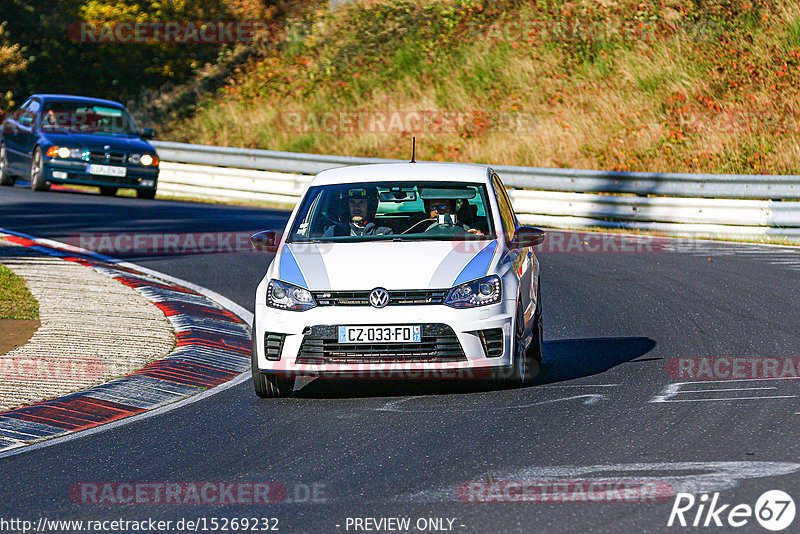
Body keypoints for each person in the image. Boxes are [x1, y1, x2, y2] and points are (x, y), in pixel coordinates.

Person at [323, 187, 393, 237]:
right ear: (347, 206)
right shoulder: (335, 232)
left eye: (361, 203)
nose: (356, 207)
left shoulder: (384, 233)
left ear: (370, 206)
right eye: (352, 203)